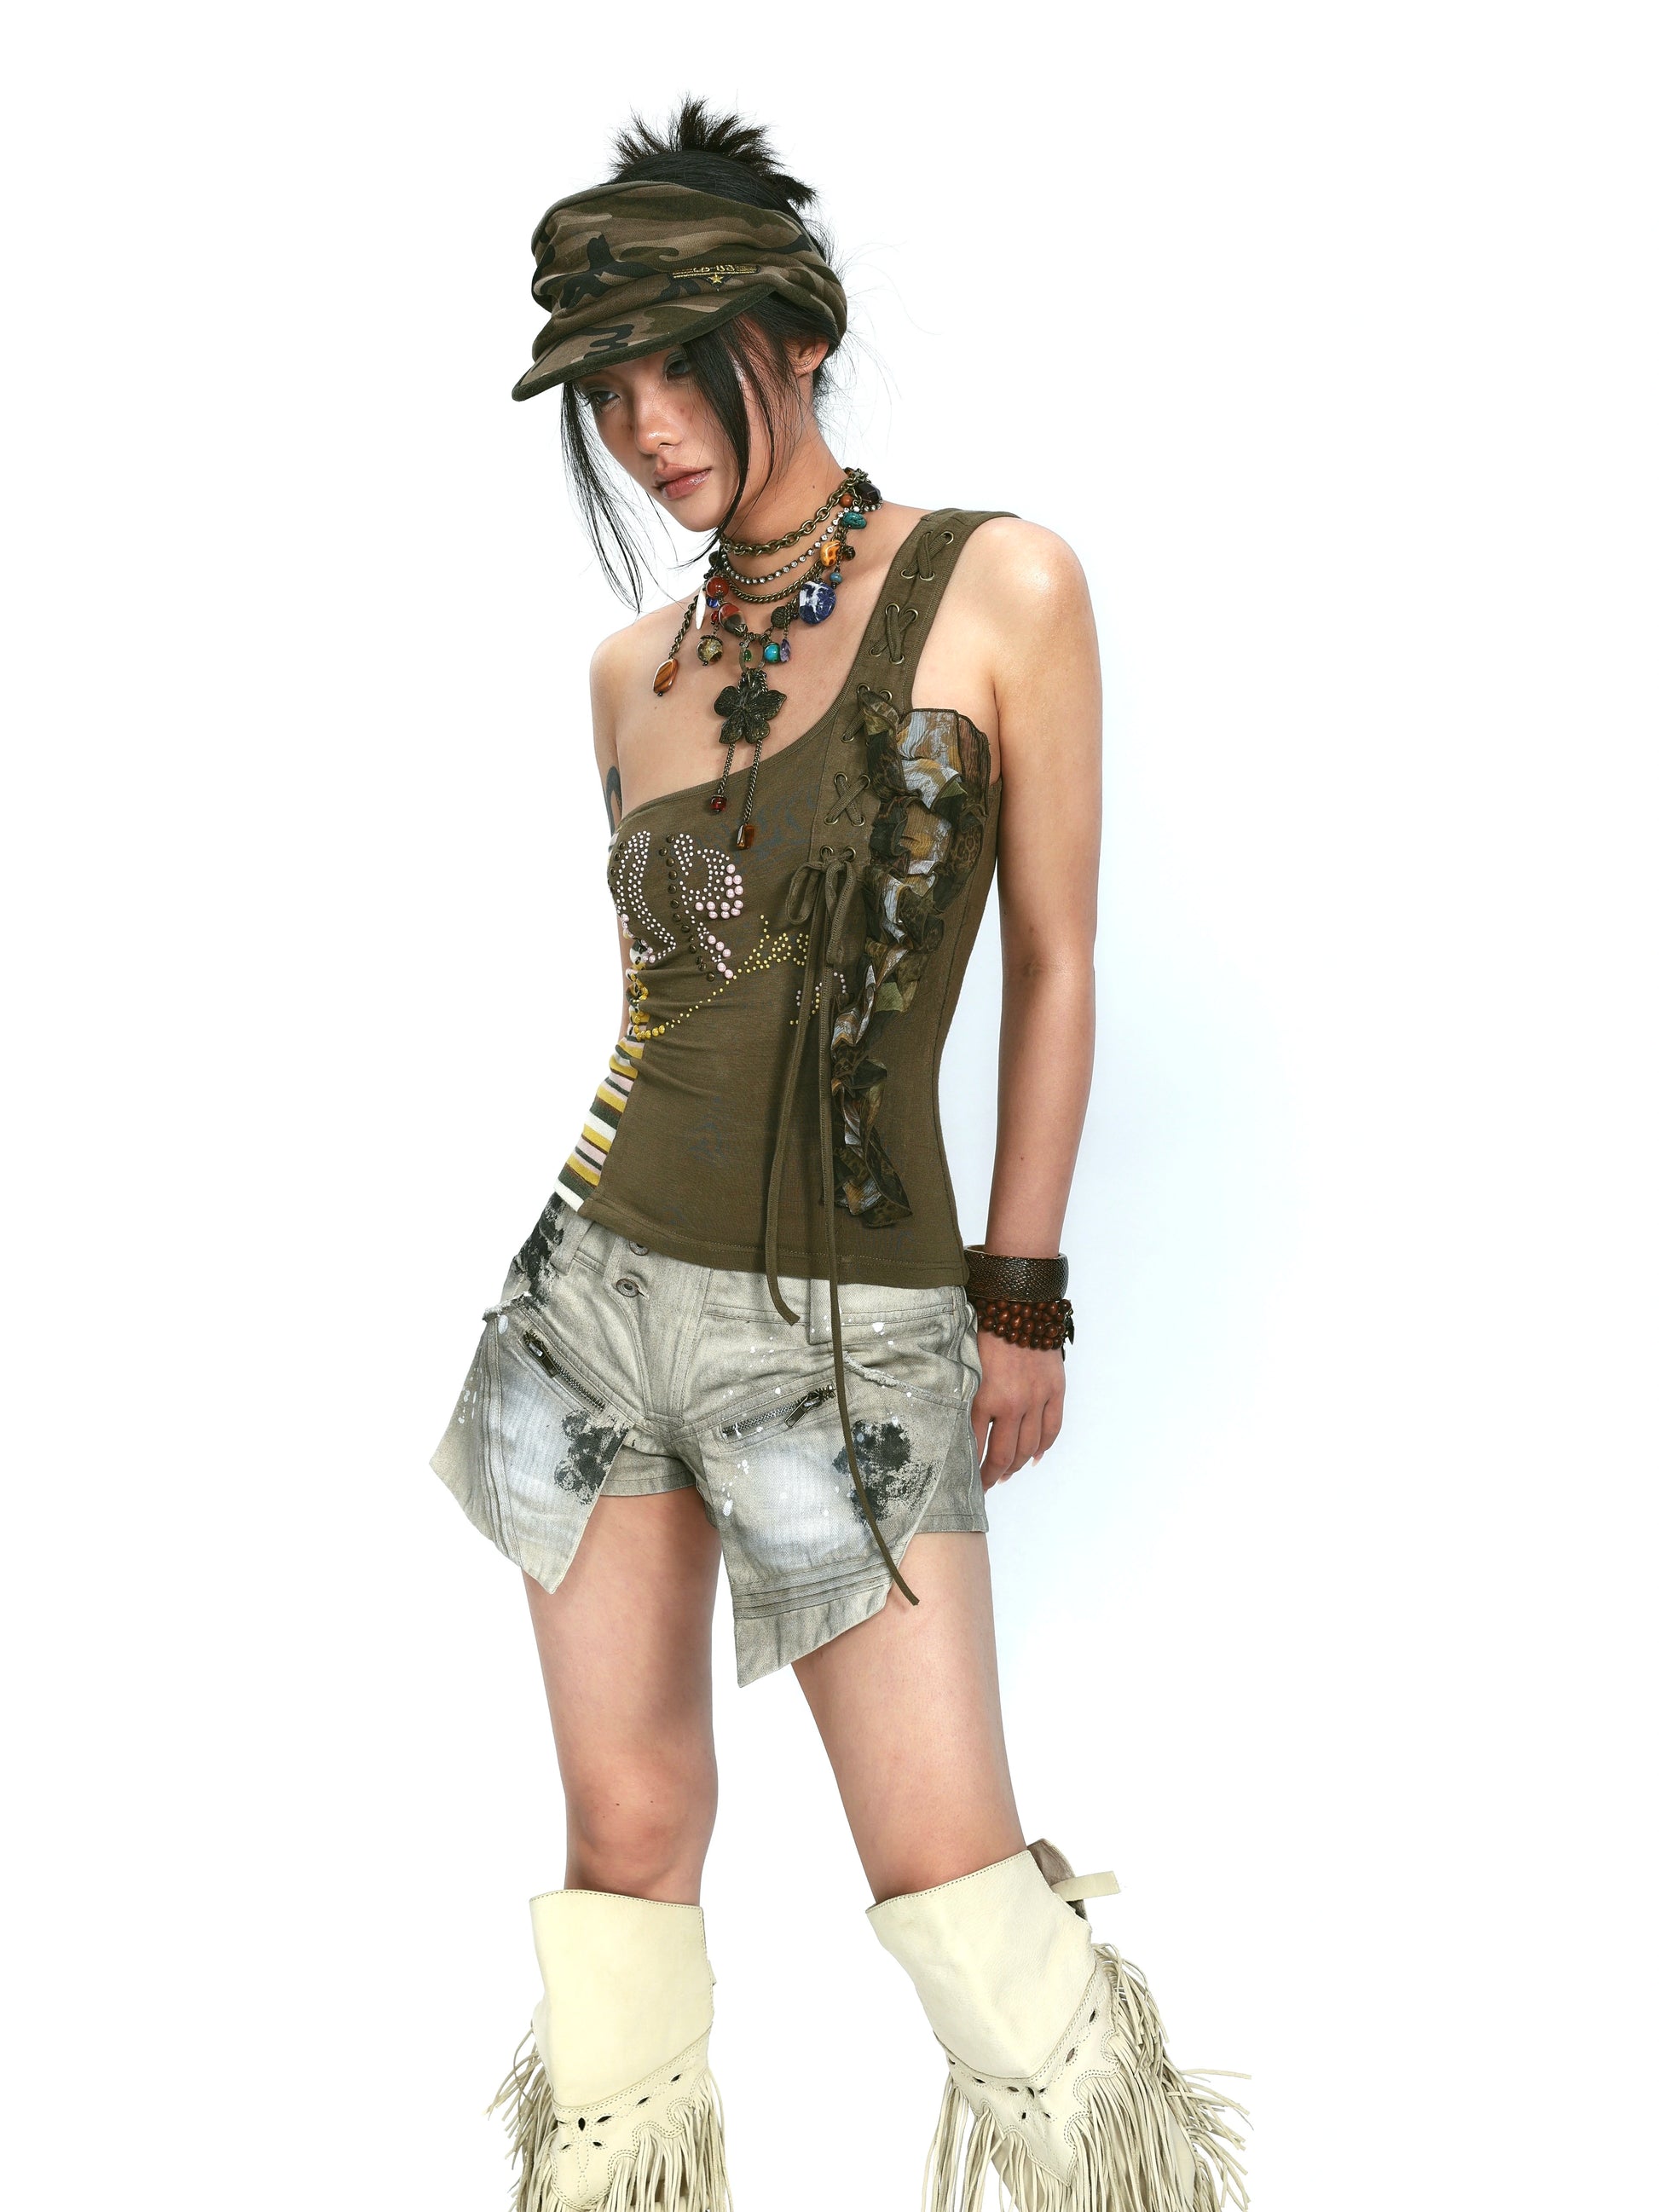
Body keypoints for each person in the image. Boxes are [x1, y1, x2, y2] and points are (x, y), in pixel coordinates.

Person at [430, 97, 1248, 2212]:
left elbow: (1056, 959)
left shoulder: (997, 582)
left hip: (844, 1327)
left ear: (794, 333)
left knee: (949, 1865)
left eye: (672, 369)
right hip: (589, 1309)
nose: (641, 429)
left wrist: (1020, 1290)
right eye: (602, 392)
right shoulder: (630, 673)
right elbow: (670, 1013)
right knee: (623, 1842)